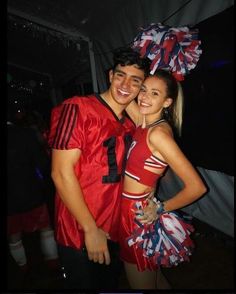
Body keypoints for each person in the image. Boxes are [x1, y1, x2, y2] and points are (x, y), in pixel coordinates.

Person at [48, 47, 150, 289]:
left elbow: (149, 138)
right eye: (120, 76)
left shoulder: (129, 122)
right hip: (80, 228)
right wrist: (90, 229)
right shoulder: (78, 108)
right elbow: (61, 173)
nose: (125, 84)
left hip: (115, 225)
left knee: (109, 283)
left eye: (135, 81)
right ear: (109, 76)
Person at [119, 69, 207, 289]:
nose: (145, 96)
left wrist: (160, 208)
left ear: (167, 103)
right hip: (129, 210)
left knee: (143, 284)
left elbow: (197, 187)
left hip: (138, 215)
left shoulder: (158, 134)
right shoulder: (144, 122)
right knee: (154, 279)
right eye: (144, 90)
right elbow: (123, 95)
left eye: (155, 94)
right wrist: (125, 74)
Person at [7, 111, 59, 278]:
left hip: (9, 200)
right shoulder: (25, 134)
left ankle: (22, 269)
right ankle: (53, 263)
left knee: (14, 236)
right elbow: (42, 163)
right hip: (31, 192)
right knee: (45, 229)